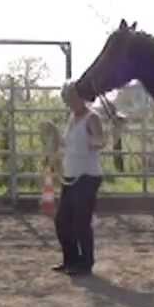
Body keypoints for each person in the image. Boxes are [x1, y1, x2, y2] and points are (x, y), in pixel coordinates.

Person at [53, 81, 105, 276]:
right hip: (70, 175)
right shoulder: (71, 118)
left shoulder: (92, 117)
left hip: (88, 176)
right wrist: (57, 142)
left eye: (71, 98)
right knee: (62, 221)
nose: (69, 102)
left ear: (79, 97)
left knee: (81, 222)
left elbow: (100, 140)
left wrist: (93, 142)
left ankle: (85, 263)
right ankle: (70, 259)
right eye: (67, 99)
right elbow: (68, 143)